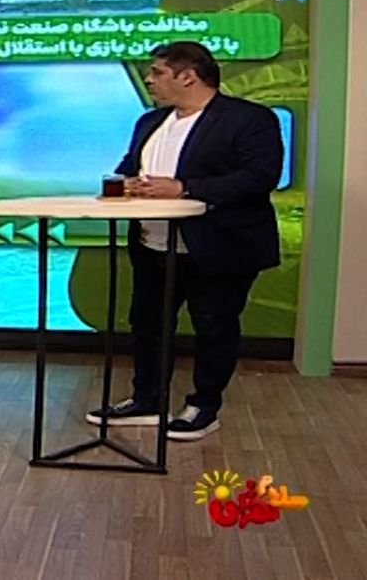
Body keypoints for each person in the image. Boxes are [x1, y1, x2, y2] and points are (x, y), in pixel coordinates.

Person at [85, 41, 283, 441]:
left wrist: (184, 187)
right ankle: (148, 401)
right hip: (153, 246)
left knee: (214, 327)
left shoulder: (248, 119)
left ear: (188, 76)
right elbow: (129, 167)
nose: (149, 79)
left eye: (157, 72)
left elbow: (260, 177)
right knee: (148, 325)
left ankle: (203, 407)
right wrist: (124, 184)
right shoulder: (150, 122)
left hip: (219, 246)